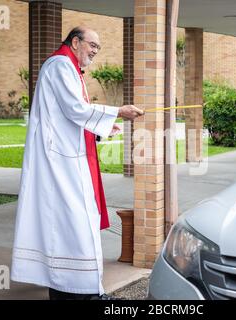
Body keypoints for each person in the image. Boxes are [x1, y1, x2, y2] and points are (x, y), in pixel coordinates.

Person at [10, 27, 144, 300]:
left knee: (78, 222)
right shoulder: (59, 65)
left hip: (70, 159)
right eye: (92, 44)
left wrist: (98, 129)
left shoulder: (68, 68)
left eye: (98, 47)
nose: (95, 51)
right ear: (75, 41)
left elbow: (66, 116)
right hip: (58, 163)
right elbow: (74, 109)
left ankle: (86, 289)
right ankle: (76, 290)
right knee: (71, 224)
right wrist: (118, 111)